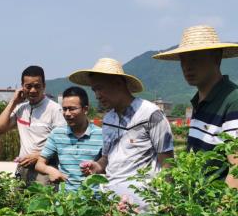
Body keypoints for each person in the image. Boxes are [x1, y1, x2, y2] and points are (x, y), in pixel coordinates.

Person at [153, 25, 238, 189]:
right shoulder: (199, 100)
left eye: (194, 58)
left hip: (213, 208)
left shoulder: (235, 100)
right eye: (183, 60)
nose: (187, 66)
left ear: (216, 57)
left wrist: (221, 213)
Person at [69, 58, 174, 207]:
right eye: (94, 90)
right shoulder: (108, 119)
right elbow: (107, 158)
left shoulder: (150, 114)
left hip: (144, 207)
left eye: (100, 88)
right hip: (113, 204)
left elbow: (168, 163)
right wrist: (97, 166)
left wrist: (167, 204)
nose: (97, 95)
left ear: (118, 83)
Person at [0, 65, 65, 185]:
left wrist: (38, 156)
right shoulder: (21, 109)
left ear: (44, 86)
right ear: (22, 87)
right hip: (22, 168)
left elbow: (62, 142)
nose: (33, 90)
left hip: (44, 170)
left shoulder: (55, 109)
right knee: (17, 202)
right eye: (28, 86)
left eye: (37, 86)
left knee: (41, 202)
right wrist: (13, 102)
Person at [35, 86, 103, 191]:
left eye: (72, 109)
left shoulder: (100, 135)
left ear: (85, 109)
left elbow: (109, 166)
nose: (67, 114)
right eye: (64, 109)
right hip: (65, 202)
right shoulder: (57, 134)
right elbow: (39, 164)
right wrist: (51, 170)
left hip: (92, 201)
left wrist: (97, 168)